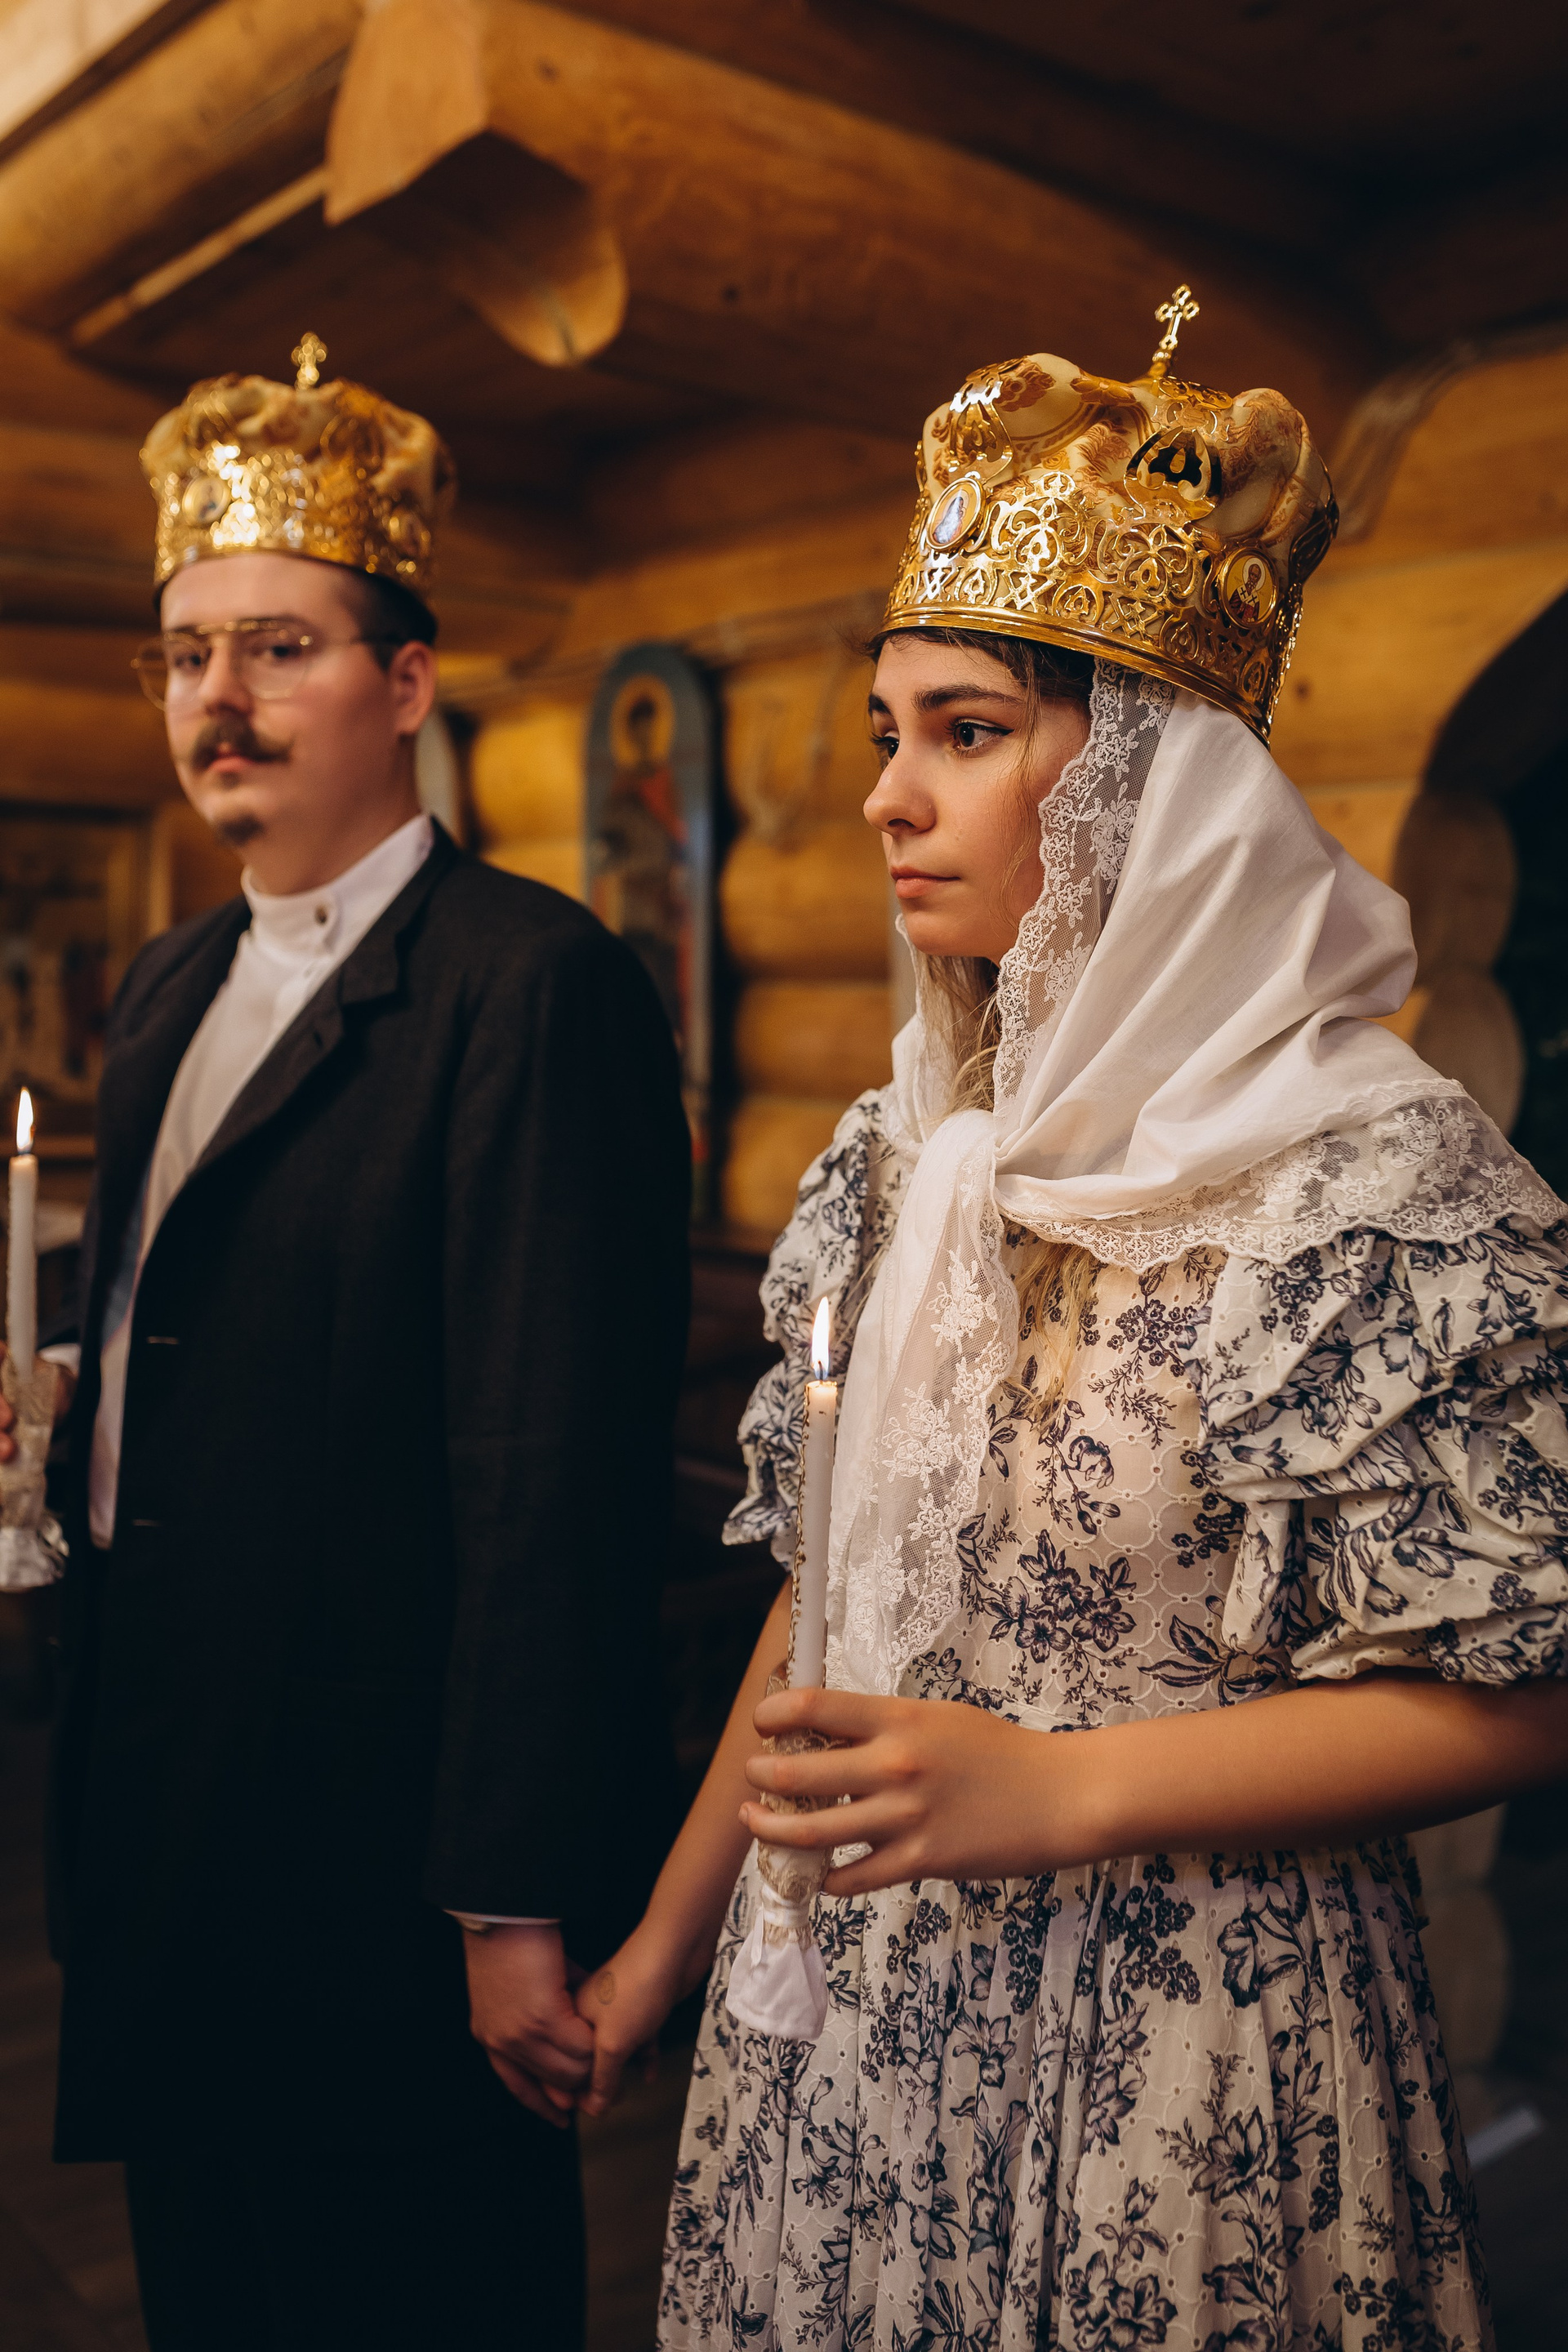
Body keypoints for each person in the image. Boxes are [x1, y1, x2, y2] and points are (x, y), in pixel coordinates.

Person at [572, 306, 1568, 2348]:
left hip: (1186, 2048)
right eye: (885, 734)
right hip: (857, 2028)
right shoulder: (904, 1152)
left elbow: (1533, 1689)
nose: (889, 798)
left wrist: (1060, 1790)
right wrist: (662, 1956)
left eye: (964, 732)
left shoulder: (1359, 1182)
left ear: (1146, 788)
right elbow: (826, 1601)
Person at [15, 345, 690, 2350]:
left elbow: (547, 1472)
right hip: (168, 1783)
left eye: (278, 648)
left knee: (412, 2298)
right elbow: (178, 1323)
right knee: (212, 2291)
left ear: (407, 683)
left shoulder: (531, 982)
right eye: (185, 654)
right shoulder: (168, 980)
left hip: (381, 1829)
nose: (216, 697)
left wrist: (511, 1896)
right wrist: (63, 1403)